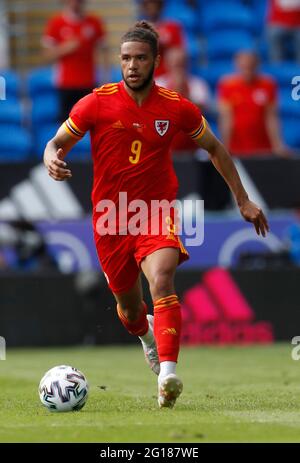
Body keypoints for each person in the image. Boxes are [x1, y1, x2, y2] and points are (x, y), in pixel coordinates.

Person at [43, 21, 269, 409]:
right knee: (131, 312)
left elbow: (216, 148)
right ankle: (146, 336)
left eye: (141, 58)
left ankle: (167, 376)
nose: (132, 65)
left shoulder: (176, 106)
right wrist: (51, 158)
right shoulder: (96, 102)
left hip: (155, 212)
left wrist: (243, 200)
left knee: (162, 279)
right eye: (126, 58)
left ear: (155, 61)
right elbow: (55, 143)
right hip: (111, 218)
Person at [42, 0, 109, 122]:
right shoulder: (56, 23)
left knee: (90, 123)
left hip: (89, 83)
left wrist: (105, 78)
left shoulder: (94, 22)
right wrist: (65, 48)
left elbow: (104, 51)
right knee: (66, 126)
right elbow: (46, 55)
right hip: (65, 84)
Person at [217, 50, 292, 158]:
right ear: (237, 66)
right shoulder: (227, 85)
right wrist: (225, 145)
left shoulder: (268, 84)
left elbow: (271, 117)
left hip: (263, 148)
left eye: (250, 66)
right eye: (244, 67)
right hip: (236, 147)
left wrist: (277, 144)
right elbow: (226, 118)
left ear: (257, 65)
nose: (247, 70)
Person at [157, 47, 212, 153]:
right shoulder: (158, 84)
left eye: (181, 64)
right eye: (175, 64)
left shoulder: (198, 84)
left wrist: (182, 91)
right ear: (168, 64)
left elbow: (200, 111)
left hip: (191, 145)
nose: (178, 68)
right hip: (165, 145)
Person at [139, 0, 186, 76]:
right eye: (148, 4)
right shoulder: (139, 29)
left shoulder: (172, 27)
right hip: (148, 76)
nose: (151, 7)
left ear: (160, 5)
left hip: (168, 76)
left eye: (154, 3)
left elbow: (178, 53)